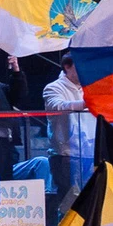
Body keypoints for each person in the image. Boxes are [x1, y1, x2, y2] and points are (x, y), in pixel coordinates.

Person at [44, 51, 95, 192]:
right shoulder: (53, 87)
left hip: (90, 153)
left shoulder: (89, 88)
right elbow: (58, 106)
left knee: (91, 196)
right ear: (67, 67)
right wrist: (87, 103)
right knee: (69, 198)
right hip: (65, 155)